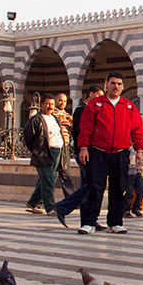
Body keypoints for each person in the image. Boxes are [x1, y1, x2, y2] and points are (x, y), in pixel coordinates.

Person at [78, 71, 143, 236]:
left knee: (119, 188)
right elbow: (85, 128)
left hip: (120, 153)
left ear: (122, 87)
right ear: (106, 84)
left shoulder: (129, 106)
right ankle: (89, 222)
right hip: (98, 152)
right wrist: (84, 147)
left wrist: (139, 149)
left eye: (119, 84)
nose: (116, 86)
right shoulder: (95, 104)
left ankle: (115, 222)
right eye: (113, 83)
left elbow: (137, 129)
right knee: (95, 187)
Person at [53, 85, 104, 228]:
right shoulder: (82, 110)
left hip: (89, 152)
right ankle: (63, 207)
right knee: (93, 185)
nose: (100, 99)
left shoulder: (89, 109)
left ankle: (88, 220)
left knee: (88, 185)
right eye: (98, 95)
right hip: (86, 153)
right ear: (91, 94)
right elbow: (80, 132)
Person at [23, 94, 64, 216]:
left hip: (57, 151)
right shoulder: (36, 119)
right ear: (42, 105)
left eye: (52, 104)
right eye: (47, 104)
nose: (50, 107)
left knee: (48, 179)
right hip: (43, 153)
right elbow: (28, 137)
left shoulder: (54, 118)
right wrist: (37, 151)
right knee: (48, 180)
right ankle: (50, 207)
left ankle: (33, 202)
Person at [124, 147, 143, 218]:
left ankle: (136, 208)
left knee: (141, 190)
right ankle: (126, 209)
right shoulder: (126, 149)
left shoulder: (139, 150)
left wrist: (140, 165)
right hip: (129, 174)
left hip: (137, 173)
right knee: (129, 191)